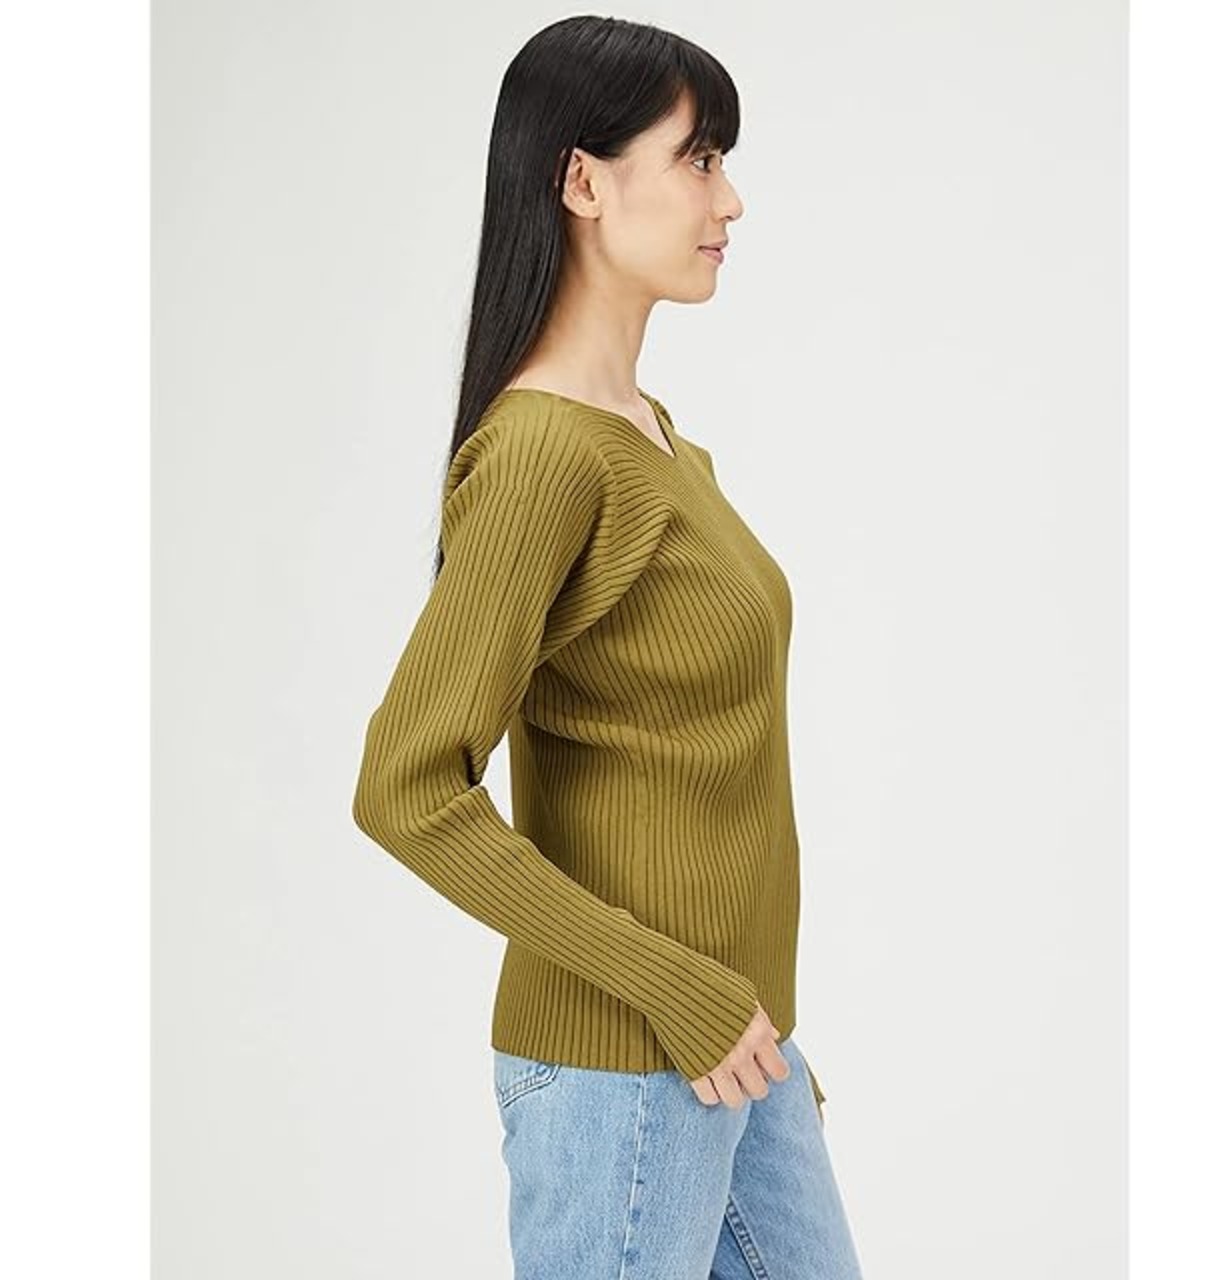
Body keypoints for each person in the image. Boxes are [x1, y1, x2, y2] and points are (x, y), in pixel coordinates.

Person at [352, 15, 864, 1278]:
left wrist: (754, 1022)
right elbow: (405, 786)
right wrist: (675, 987)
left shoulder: (654, 441)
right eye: (698, 159)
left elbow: (698, 775)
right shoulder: (542, 453)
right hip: (620, 1073)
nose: (728, 200)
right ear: (581, 181)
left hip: (732, 1053)